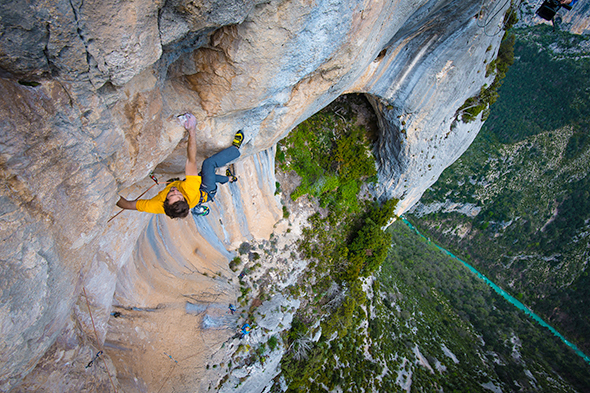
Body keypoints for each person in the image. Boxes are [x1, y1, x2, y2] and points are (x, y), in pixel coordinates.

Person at [116, 113, 244, 219]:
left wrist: (113, 196)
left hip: (197, 193)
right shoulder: (190, 189)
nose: (175, 191)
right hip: (205, 191)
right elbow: (191, 160)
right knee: (208, 165)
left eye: (172, 195)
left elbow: (127, 205)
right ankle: (235, 150)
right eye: (179, 195)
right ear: (184, 198)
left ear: (164, 203)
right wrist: (192, 130)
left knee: (204, 176)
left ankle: (230, 179)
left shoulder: (155, 205)